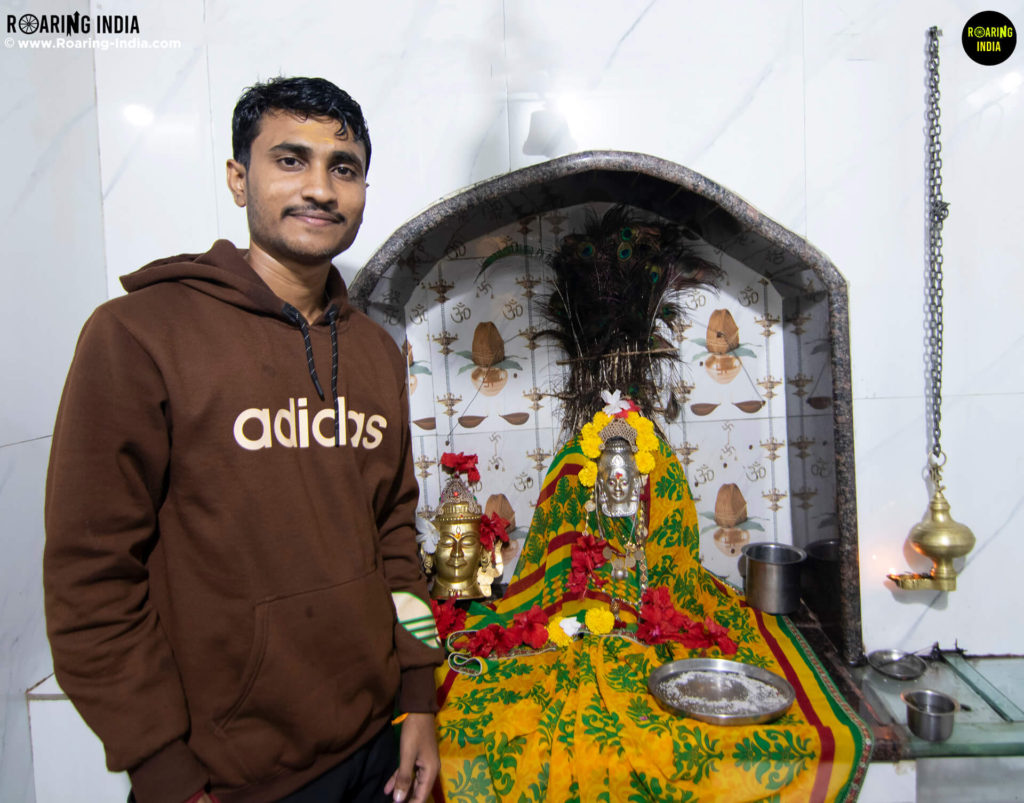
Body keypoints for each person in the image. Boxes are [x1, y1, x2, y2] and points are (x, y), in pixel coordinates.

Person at [43, 76, 443, 803]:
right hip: (228, 779)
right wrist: (162, 769)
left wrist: (418, 696)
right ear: (238, 178)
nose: (319, 187)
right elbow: (91, 578)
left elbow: (394, 537)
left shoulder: (377, 351)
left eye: (343, 167)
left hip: (377, 749)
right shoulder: (139, 335)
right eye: (290, 160)